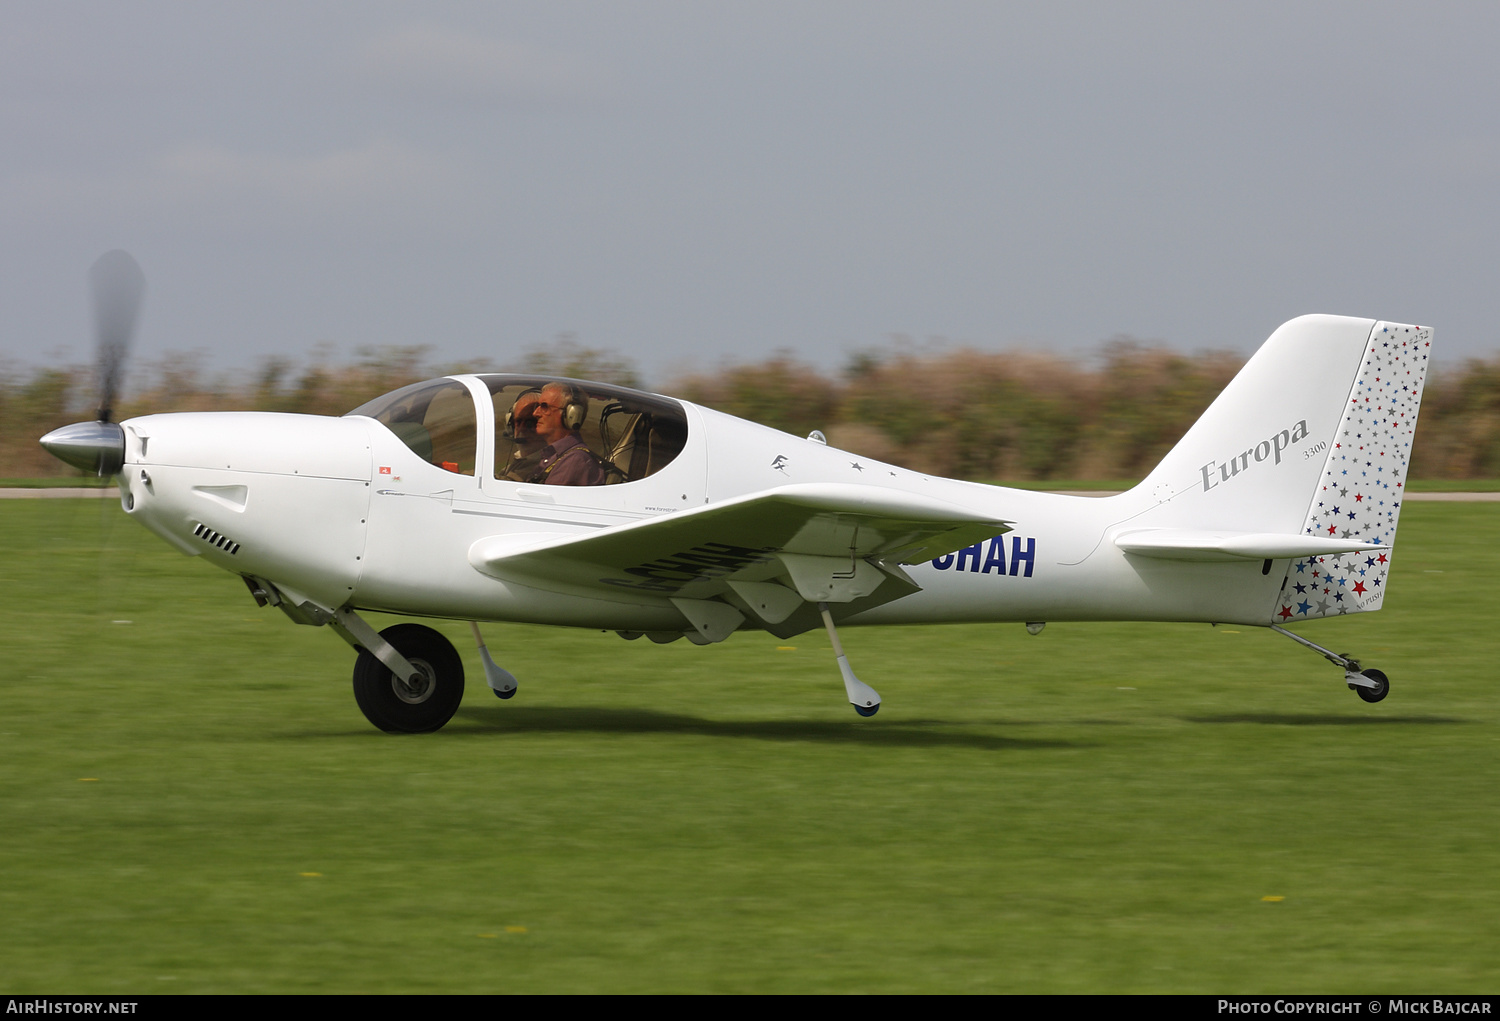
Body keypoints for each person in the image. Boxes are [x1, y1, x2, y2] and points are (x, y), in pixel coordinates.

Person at [526, 382, 607, 486]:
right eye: (538, 406)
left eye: (544, 406)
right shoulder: (555, 456)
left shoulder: (574, 461)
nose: (535, 413)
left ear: (571, 415)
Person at [499, 388, 545, 481]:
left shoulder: (543, 465)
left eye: (530, 423)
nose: (521, 429)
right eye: (517, 422)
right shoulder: (516, 463)